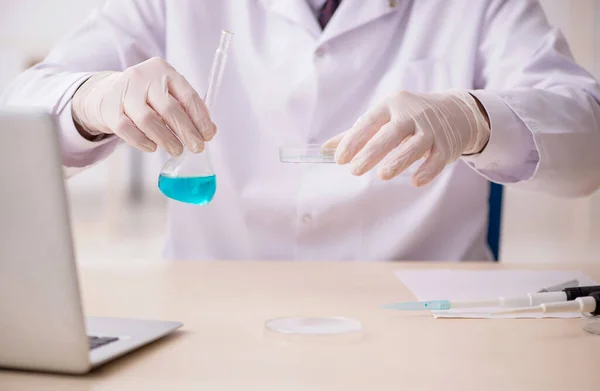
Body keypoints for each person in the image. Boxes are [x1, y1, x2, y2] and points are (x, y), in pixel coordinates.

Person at [2, 0, 600, 261]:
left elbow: (588, 134)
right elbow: (21, 107)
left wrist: (472, 117)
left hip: (421, 317)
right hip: (215, 313)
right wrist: (95, 98)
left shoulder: (483, 5)